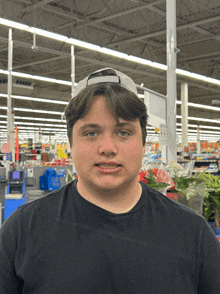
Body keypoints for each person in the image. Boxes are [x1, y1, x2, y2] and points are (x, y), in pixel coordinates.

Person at [0, 68, 220, 294]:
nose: (107, 148)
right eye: (91, 133)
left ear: (144, 143)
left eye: (123, 132)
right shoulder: (21, 231)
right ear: (70, 144)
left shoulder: (194, 234)